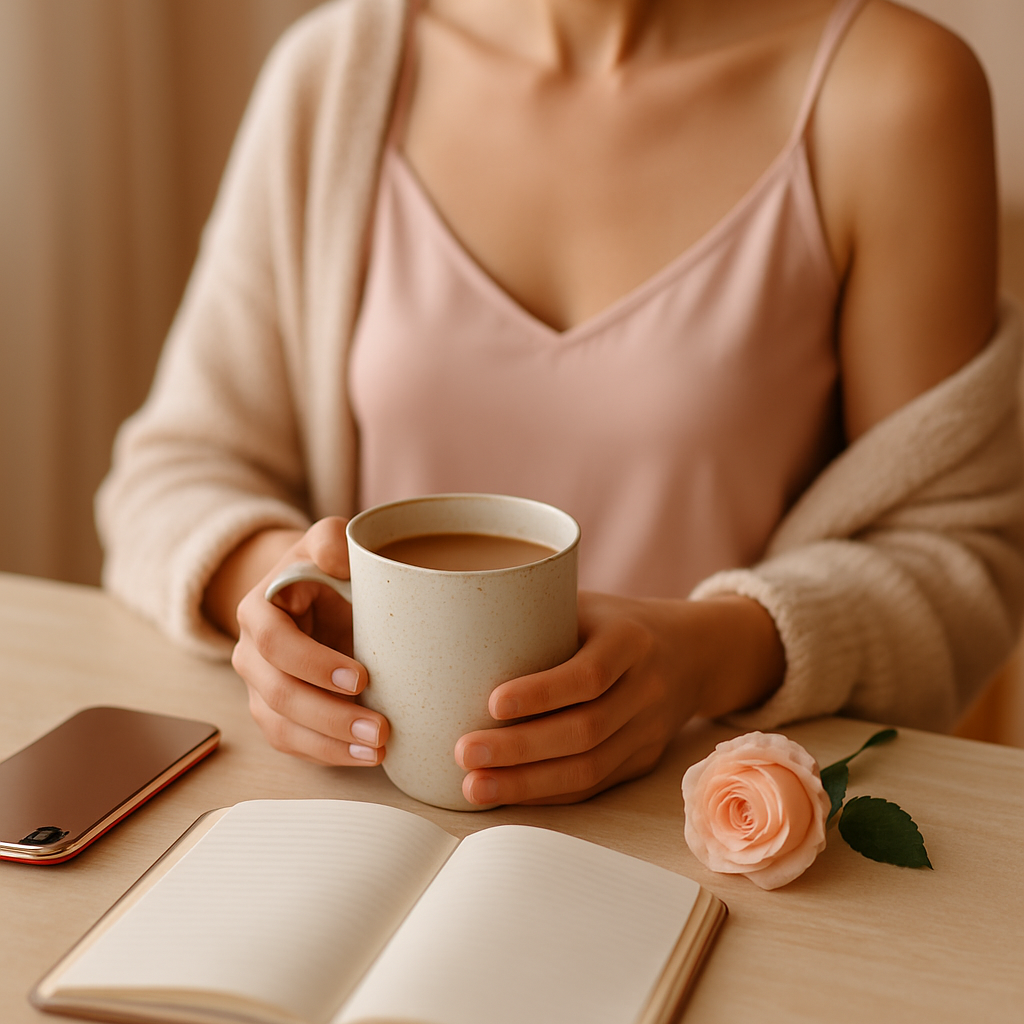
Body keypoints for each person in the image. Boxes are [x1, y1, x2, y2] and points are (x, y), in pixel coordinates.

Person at [97, 0, 1024, 807]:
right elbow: (170, 475)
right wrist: (277, 600)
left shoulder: (897, 92)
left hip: (721, 846)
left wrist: (710, 653)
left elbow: (958, 555)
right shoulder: (336, 77)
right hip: (368, 819)